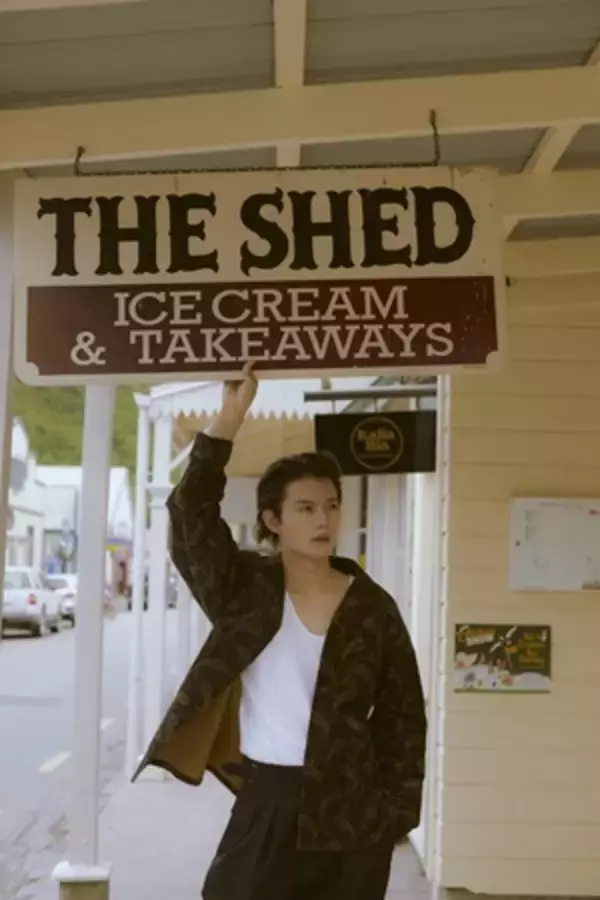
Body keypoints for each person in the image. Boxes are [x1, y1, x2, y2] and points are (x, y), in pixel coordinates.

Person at [134, 363, 427, 900]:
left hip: (351, 807)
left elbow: (403, 716)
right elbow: (191, 515)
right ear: (273, 520)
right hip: (266, 796)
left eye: (332, 506)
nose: (324, 520)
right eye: (306, 508)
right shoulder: (244, 591)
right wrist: (230, 418)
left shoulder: (371, 607)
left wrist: (393, 815)